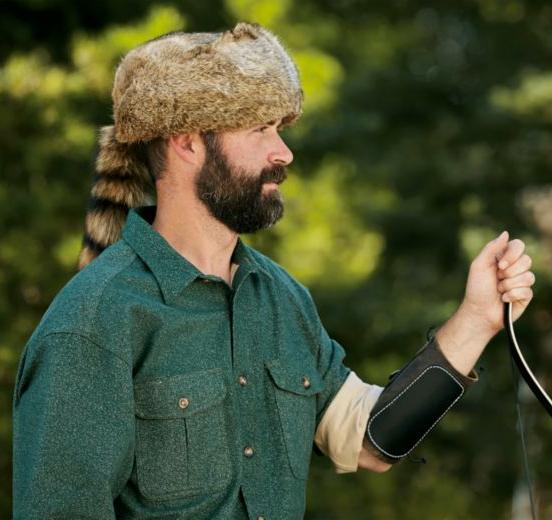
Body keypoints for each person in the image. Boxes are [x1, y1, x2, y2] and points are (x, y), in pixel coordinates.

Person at [12, 22, 536, 519]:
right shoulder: (93, 323)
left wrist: (478, 319)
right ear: (188, 141)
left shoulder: (281, 299)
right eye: (260, 127)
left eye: (281, 128)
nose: (283, 151)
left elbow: (372, 441)